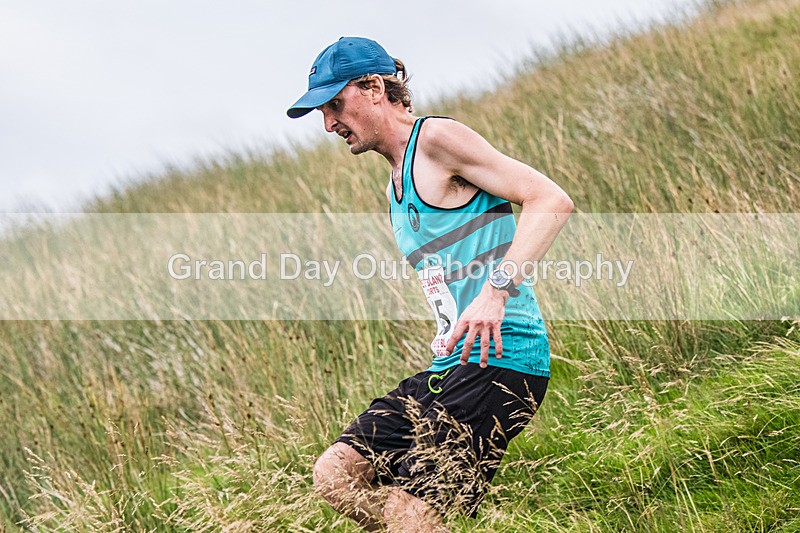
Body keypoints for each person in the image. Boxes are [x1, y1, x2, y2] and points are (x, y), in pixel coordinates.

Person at [287, 36, 573, 532]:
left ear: (374, 87)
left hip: (501, 362)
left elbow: (550, 200)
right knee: (335, 476)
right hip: (449, 366)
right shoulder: (395, 181)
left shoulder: (438, 140)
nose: (329, 123)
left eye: (335, 104)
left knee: (407, 512)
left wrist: (495, 292)